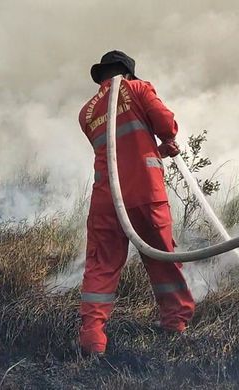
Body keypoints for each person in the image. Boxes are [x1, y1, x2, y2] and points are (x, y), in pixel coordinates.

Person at [77, 50, 195, 356]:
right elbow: (166, 125)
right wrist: (165, 143)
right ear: (128, 73)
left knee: (100, 265)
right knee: (162, 257)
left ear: (102, 76)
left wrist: (155, 147)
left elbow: (118, 146)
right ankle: (175, 323)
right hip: (145, 192)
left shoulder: (86, 112)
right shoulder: (138, 89)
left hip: (106, 200)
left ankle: (92, 338)